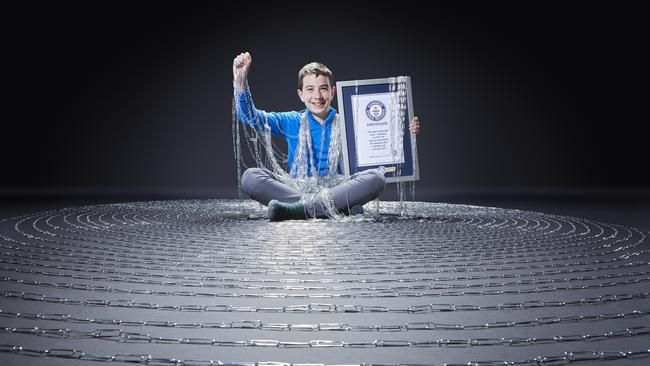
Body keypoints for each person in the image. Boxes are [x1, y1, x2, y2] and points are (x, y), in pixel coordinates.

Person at [232, 51, 420, 221]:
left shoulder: (350, 121)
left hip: (338, 188)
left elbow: (381, 141)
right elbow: (249, 117)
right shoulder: (291, 121)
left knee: (376, 178)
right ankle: (336, 209)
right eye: (310, 89)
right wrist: (241, 82)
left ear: (332, 92)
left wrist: (403, 130)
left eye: (323, 88)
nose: (317, 95)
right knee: (251, 177)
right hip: (297, 187)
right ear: (300, 94)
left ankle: (298, 210)